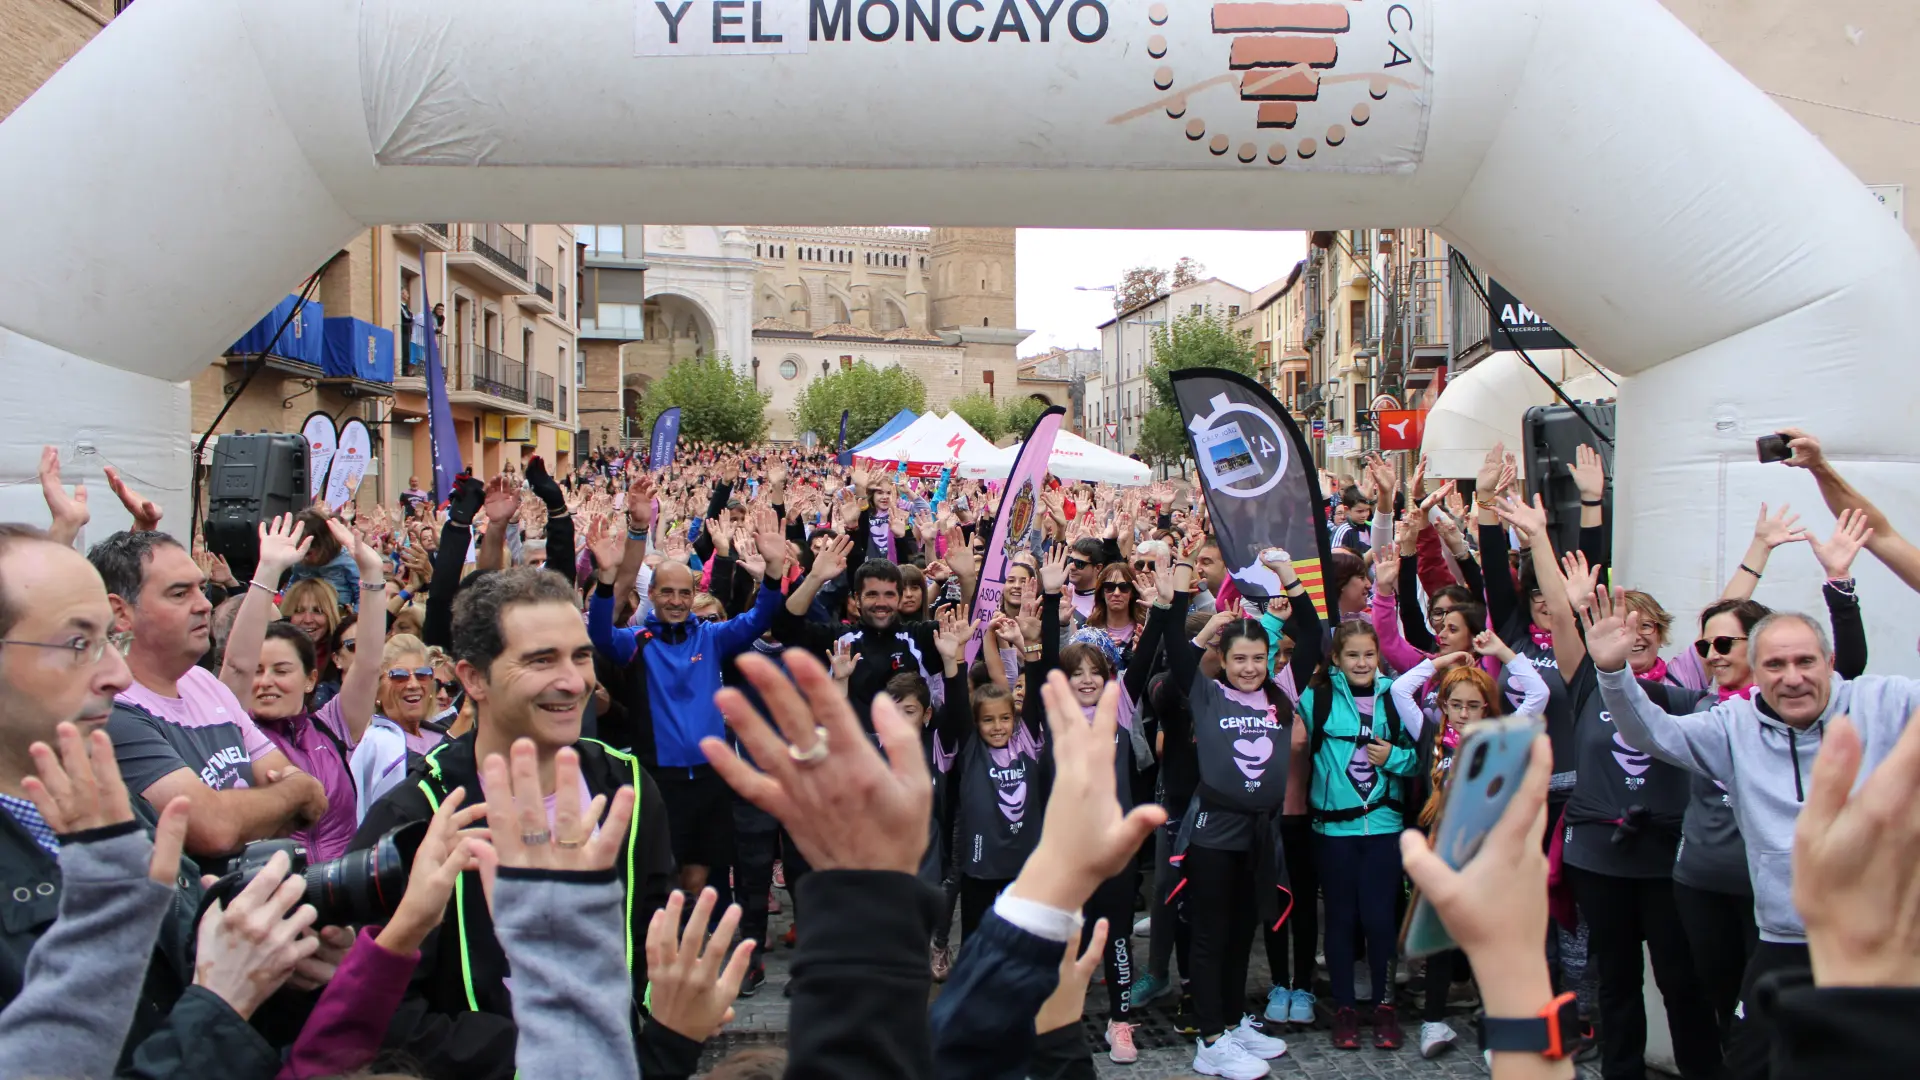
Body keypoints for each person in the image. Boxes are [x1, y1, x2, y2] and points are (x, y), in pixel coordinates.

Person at [350, 567, 678, 1079]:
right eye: (541, 660)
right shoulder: (415, 818)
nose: (573, 681)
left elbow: (653, 931)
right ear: (473, 678)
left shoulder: (628, 788)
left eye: (581, 656)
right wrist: (536, 1053)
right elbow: (381, 1009)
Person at [1591, 590, 1920, 1080]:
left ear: (1830, 662)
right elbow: (1654, 734)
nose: (1792, 678)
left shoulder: (1882, 701)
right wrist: (1613, 674)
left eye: (1806, 661)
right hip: (1782, 937)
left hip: (1875, 940)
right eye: (1775, 665)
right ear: (1756, 671)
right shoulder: (1733, 723)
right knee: (1748, 1063)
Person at [586, 495, 788, 896]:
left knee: (700, 876)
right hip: (660, 778)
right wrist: (607, 580)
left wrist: (774, 571)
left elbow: (760, 617)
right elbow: (599, 636)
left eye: (683, 592)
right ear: (653, 596)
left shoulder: (711, 636)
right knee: (666, 877)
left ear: (693, 592)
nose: (676, 601)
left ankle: (697, 945)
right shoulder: (637, 641)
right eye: (667, 593)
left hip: (710, 779)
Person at [89, 529, 328, 863]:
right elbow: (213, 829)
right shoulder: (110, 711)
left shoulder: (203, 682)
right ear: (121, 612)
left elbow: (312, 797)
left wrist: (284, 796)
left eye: (200, 589)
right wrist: (292, 795)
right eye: (179, 593)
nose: (203, 605)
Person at [1160, 568, 1296, 1080]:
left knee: (1243, 931)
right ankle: (1210, 1037)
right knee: (1212, 933)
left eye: (1258, 659)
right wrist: (1188, 618)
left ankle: (1236, 1020)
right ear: (1223, 659)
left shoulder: (1280, 695)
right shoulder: (1208, 694)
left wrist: (1288, 579)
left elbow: (1312, 627)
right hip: (1214, 831)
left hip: (1260, 833)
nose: (1249, 668)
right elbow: (1177, 660)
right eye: (1239, 658)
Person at [1393, 653, 1547, 1059]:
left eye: (1472, 705)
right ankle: (1433, 1021)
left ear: (1487, 707)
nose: (1462, 714)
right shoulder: (1429, 734)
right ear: (1443, 705)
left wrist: (1504, 653)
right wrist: (1442, 661)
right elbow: (1399, 689)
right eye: (1455, 704)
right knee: (1441, 943)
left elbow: (1539, 691)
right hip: (1441, 855)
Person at [1297, 620, 1419, 1051]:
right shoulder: (1320, 697)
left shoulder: (1395, 697)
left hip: (1384, 826)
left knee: (1381, 919)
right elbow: (1296, 742)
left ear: (1378, 656)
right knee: (1343, 919)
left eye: (1369, 654)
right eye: (1353, 655)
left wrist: (1396, 757)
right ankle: (1346, 1008)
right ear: (1337, 659)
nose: (1362, 663)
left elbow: (1422, 755)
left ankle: (1386, 1008)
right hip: (1333, 829)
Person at [284, 508, 362, 611]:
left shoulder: (346, 560)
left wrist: (355, 619)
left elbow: (361, 594)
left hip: (339, 616)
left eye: (309, 553)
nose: (305, 558)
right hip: (307, 615)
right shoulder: (300, 563)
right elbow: (292, 589)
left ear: (325, 544)